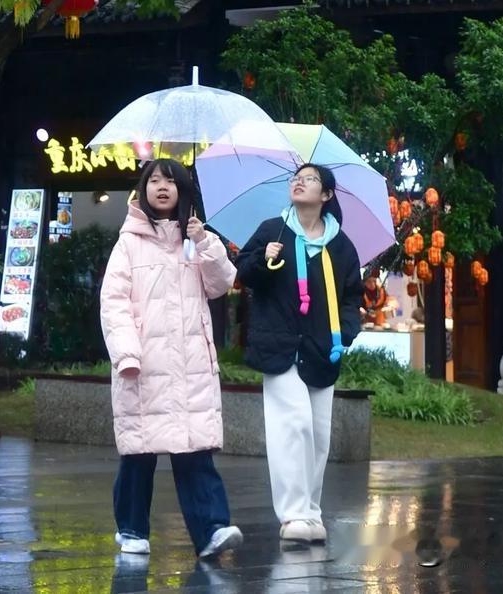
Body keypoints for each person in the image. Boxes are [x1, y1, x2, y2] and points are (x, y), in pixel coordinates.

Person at [99, 158, 243, 563]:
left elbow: (220, 285)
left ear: (183, 189)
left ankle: (212, 529)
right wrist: (126, 352)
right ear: (143, 189)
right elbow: (113, 303)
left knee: (195, 452)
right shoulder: (128, 242)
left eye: (170, 181)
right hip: (142, 366)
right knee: (138, 455)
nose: (162, 187)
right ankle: (131, 529)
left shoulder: (195, 240)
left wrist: (206, 244)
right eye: (154, 180)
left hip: (190, 366)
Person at [237, 164, 364, 547]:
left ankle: (311, 511)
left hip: (322, 349)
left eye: (309, 179)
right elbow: (244, 273)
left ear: (326, 195)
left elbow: (352, 296)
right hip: (278, 346)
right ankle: (293, 514)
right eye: (297, 177)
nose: (299, 181)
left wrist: (347, 333)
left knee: (319, 434)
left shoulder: (341, 245)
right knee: (293, 426)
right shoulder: (271, 230)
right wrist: (264, 259)